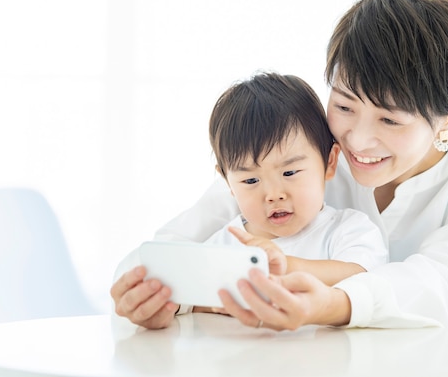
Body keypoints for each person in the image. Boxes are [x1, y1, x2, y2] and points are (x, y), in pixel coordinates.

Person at [111, 0, 448, 372]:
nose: (359, 140)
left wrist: (333, 303)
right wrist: (154, 296)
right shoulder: (303, 156)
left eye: (389, 119)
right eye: (345, 106)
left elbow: (443, 291)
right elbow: (173, 248)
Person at [113, 72, 388, 321]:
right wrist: (164, 309)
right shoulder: (222, 245)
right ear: (228, 183)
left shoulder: (349, 229)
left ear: (329, 163)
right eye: (251, 180)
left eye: (290, 172)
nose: (273, 195)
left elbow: (364, 278)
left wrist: (285, 267)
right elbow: (186, 295)